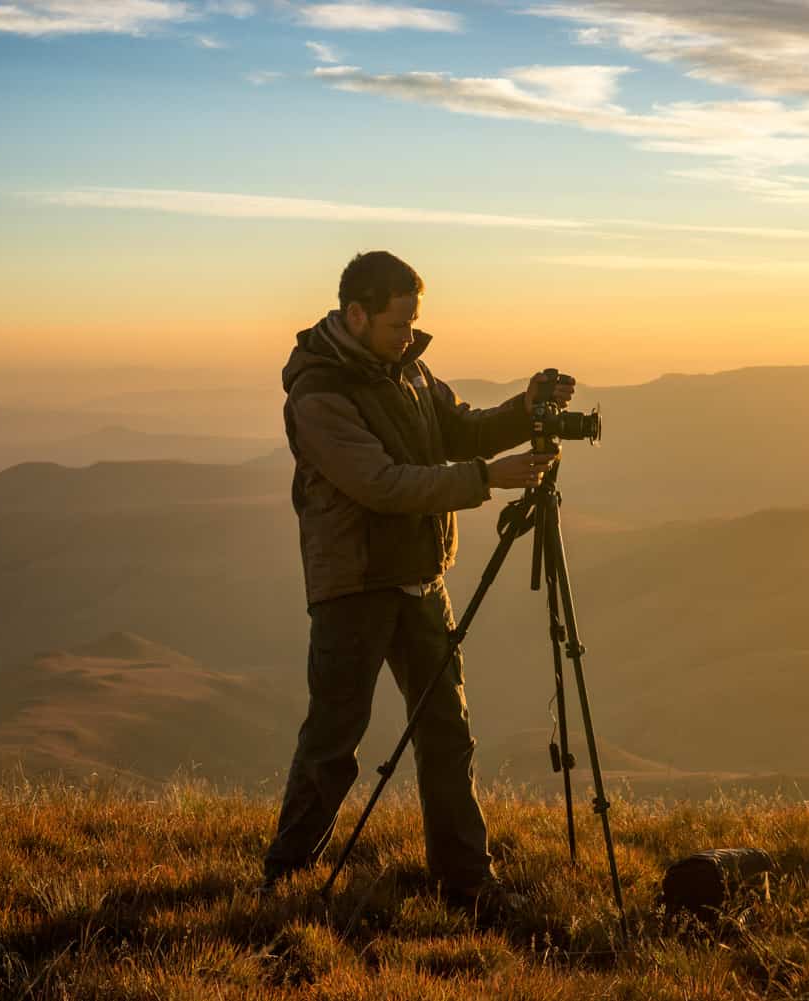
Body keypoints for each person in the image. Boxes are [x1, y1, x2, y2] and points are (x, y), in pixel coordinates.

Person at [260, 250, 571, 914]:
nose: (409, 335)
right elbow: (380, 484)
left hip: (422, 575)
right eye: (399, 324)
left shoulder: (408, 370)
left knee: (446, 730)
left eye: (413, 323)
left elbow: (461, 428)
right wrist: (490, 479)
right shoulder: (319, 393)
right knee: (334, 737)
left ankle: (464, 879)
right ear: (357, 314)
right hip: (356, 584)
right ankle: (285, 874)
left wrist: (527, 406)